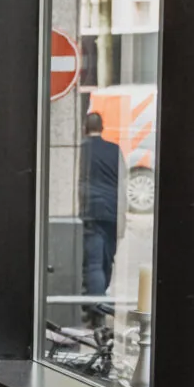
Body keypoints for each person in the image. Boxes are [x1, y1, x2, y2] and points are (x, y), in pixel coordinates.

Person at [80, 107, 121, 302]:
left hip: (91, 210)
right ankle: (100, 298)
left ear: (84, 128)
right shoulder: (115, 150)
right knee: (107, 259)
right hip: (112, 211)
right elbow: (124, 181)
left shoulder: (81, 149)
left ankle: (95, 307)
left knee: (93, 263)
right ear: (102, 128)